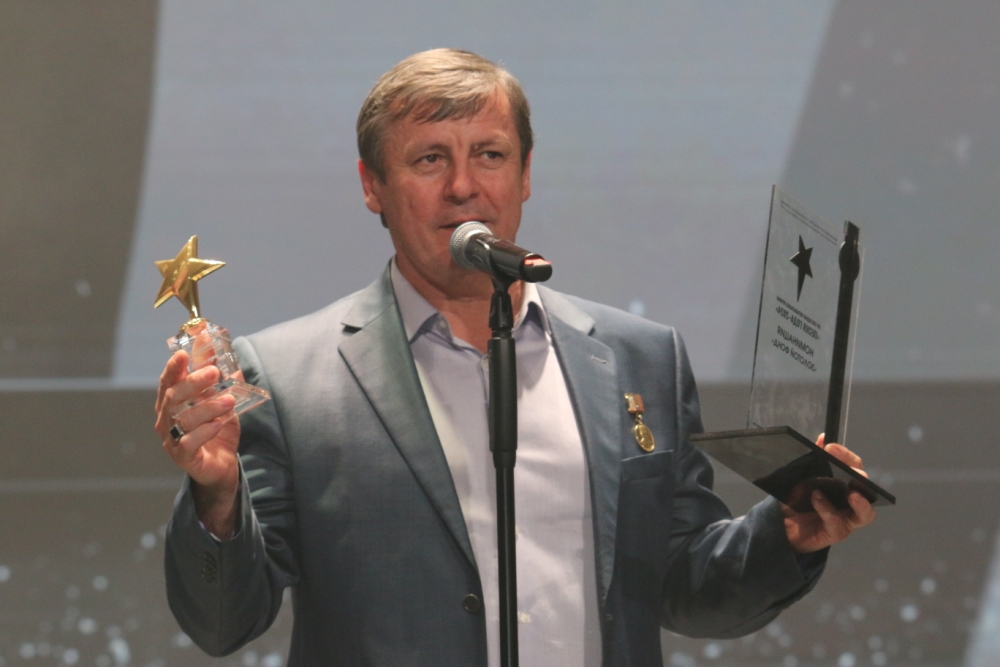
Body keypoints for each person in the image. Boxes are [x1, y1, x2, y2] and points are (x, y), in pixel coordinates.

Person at [156, 49, 874, 667]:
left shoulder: (641, 357)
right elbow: (223, 622)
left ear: (525, 173)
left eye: (490, 155)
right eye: (430, 158)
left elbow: (684, 585)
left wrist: (785, 535)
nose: (463, 186)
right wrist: (217, 497)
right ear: (372, 185)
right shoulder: (287, 376)